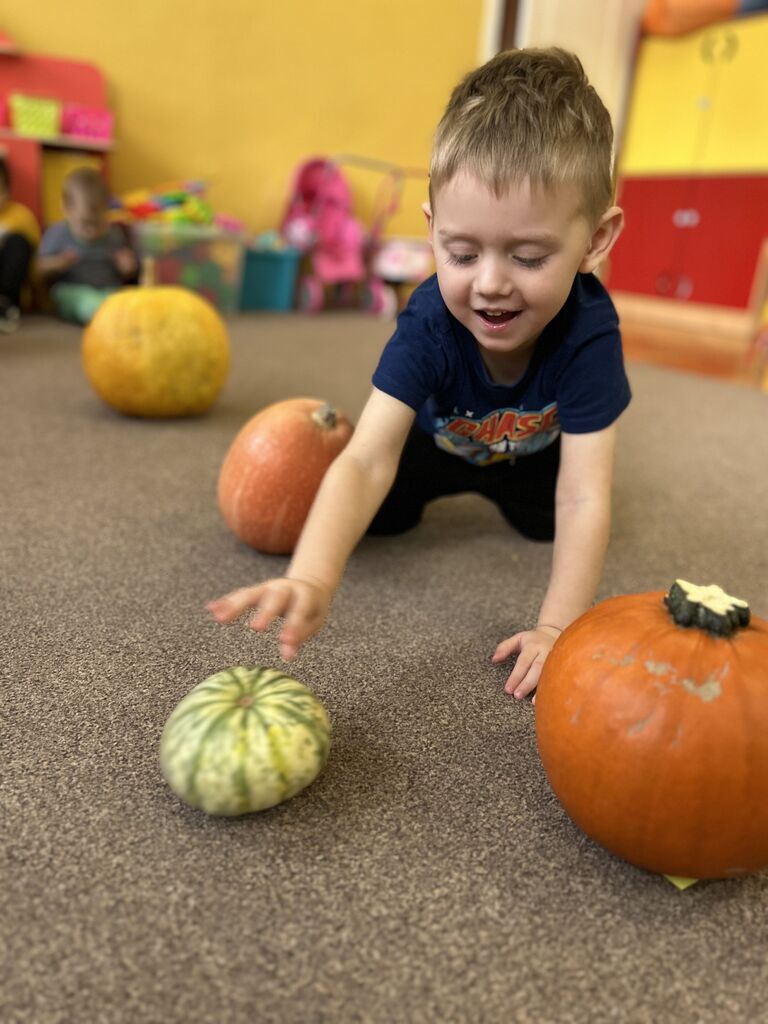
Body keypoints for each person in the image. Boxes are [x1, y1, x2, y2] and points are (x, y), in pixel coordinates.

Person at [207, 47, 631, 701]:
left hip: (534, 455)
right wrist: (312, 577)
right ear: (432, 232)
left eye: (527, 255)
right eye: (461, 253)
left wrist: (558, 626)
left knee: (555, 525)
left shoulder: (591, 332)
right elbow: (364, 462)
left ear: (595, 242)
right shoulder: (429, 319)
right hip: (433, 444)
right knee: (378, 520)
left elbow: (583, 494)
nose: (490, 284)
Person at [36, 167, 139, 325]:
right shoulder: (58, 233)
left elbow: (127, 275)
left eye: (98, 223)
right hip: (72, 290)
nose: (92, 230)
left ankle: (114, 317)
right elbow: (39, 268)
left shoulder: (114, 234)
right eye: (85, 223)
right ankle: (104, 319)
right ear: (66, 209)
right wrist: (58, 262)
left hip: (107, 290)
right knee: (84, 300)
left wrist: (127, 267)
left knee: (127, 300)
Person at [0, 155, 40, 333]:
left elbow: (35, 260)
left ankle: (4, 304)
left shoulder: (21, 215)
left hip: (11, 287)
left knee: (19, 241)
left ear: (7, 190)